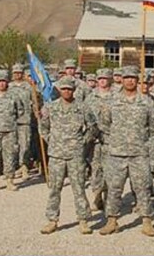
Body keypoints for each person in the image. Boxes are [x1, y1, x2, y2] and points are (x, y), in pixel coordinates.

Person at [98, 65, 154, 238]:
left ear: (137, 80)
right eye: (126, 78)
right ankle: (112, 221)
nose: (130, 81)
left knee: (143, 188)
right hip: (116, 153)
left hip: (139, 153)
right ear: (122, 80)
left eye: (133, 78)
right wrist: (117, 139)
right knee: (114, 188)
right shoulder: (112, 101)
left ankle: (147, 221)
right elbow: (104, 124)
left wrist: (144, 143)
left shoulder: (146, 102)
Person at [39, 77, 95, 235]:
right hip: (56, 154)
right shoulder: (51, 107)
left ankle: (83, 220)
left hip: (75, 154)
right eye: (63, 89)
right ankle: (52, 220)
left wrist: (83, 142)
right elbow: (43, 127)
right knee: (54, 189)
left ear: (73, 90)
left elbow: (92, 127)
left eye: (69, 89)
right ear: (59, 90)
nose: (66, 91)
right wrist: (51, 141)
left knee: (79, 188)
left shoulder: (82, 107)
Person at [86, 68, 114, 211]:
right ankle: (97, 196)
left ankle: (110, 198)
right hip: (95, 140)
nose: (102, 81)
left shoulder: (117, 97)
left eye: (105, 78)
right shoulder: (90, 97)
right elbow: (85, 116)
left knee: (110, 169)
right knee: (96, 168)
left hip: (111, 139)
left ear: (110, 80)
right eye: (100, 79)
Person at [9, 63, 35, 179]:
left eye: (19, 73)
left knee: (25, 145)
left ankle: (24, 167)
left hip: (25, 120)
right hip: (10, 121)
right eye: (15, 73)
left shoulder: (29, 87)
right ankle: (12, 168)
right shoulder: (8, 87)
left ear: (23, 74)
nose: (17, 75)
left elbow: (35, 102)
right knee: (12, 146)